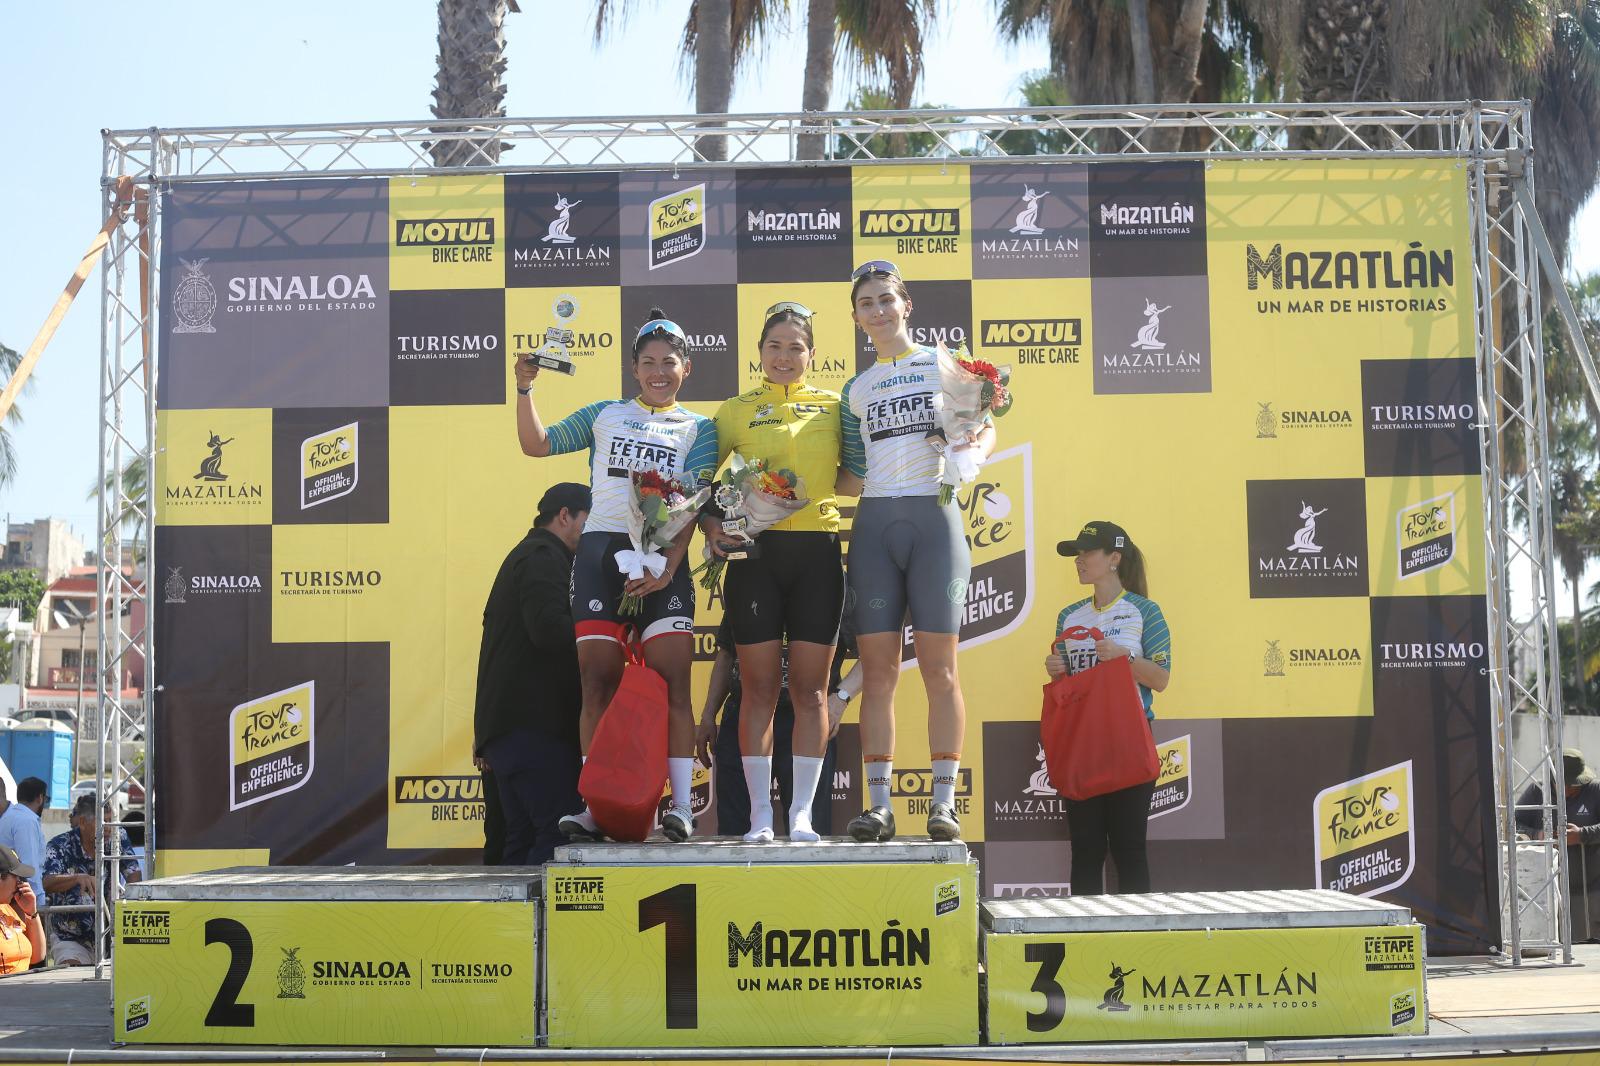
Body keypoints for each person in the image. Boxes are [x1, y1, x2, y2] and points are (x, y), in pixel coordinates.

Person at [515, 308, 718, 843]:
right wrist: (524, 389)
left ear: (687, 368)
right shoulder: (605, 414)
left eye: (669, 362)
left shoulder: (701, 428)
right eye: (648, 362)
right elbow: (537, 444)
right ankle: (595, 805)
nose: (658, 372)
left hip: (662, 560)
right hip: (601, 554)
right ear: (633, 368)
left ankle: (680, 807)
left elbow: (694, 502)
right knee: (596, 682)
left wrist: (668, 566)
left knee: (673, 683)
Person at [838, 261, 996, 843]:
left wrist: (973, 452)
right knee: (878, 673)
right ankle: (880, 807)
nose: (878, 311)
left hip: (934, 519)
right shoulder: (855, 390)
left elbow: (985, 426)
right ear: (856, 318)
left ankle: (943, 805)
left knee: (940, 669)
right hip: (875, 523)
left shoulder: (946, 364)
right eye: (867, 304)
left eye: (886, 299)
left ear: (906, 304)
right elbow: (850, 474)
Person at [700, 301, 852, 842]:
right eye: (774, 346)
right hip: (756, 560)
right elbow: (700, 484)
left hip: (817, 554)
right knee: (759, 690)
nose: (784, 357)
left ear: (812, 355)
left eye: (795, 348)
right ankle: (761, 816)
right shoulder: (734, 410)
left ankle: (803, 814)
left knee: (811, 692)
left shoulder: (835, 407)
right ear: (759, 352)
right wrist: (713, 526)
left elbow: (856, 477)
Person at [1045, 521, 1172, 895]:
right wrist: (1057, 671)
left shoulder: (1145, 611)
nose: (1079, 560)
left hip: (1129, 738)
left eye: (1087, 552)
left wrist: (1123, 658)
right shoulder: (1069, 616)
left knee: (1129, 849)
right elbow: (1070, 690)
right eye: (1077, 554)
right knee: (1085, 851)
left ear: (1114, 558)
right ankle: (1083, 932)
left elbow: (1161, 679)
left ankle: (1138, 931)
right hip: (1082, 741)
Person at [473, 483, 591, 865]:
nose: (592, 533)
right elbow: (549, 630)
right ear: (565, 516)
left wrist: (485, 732)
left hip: (511, 730)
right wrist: (600, 634)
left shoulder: (525, 556)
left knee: (517, 842)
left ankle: (513, 908)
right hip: (534, 730)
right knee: (556, 839)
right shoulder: (543, 556)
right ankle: (540, 910)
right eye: (589, 521)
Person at [696, 611, 862, 838]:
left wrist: (841, 698)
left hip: (805, 722)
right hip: (743, 716)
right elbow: (726, 653)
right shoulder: (748, 588)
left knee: (807, 831)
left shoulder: (833, 590)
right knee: (734, 830)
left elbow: (875, 653)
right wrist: (708, 714)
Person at [42, 795, 141, 966]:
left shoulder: (118, 835)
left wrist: (130, 900)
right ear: (82, 822)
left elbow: (133, 873)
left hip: (110, 933)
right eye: (103, 821)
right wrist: (76, 878)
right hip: (70, 937)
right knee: (72, 974)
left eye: (111, 820)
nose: (108, 827)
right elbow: (47, 883)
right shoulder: (59, 845)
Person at [1516, 746, 1600, 940]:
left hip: (1593, 889)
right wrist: (1537, 835)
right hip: (1548, 891)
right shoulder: (1537, 791)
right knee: (1559, 941)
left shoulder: (1595, 791)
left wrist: (1582, 835)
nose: (1568, 790)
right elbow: (1513, 824)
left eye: (1574, 785)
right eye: (1563, 784)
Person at [0, 777, 48, 900]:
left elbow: (28, 868)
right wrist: (37, 900)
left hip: (14, 897)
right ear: (40, 798)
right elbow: (30, 867)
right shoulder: (24, 820)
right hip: (17, 899)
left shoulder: (15, 818)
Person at [0, 845, 44, 976]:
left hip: (21, 986)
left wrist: (31, 912)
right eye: (16, 876)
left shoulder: (7, 909)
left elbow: (37, 957)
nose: (20, 883)